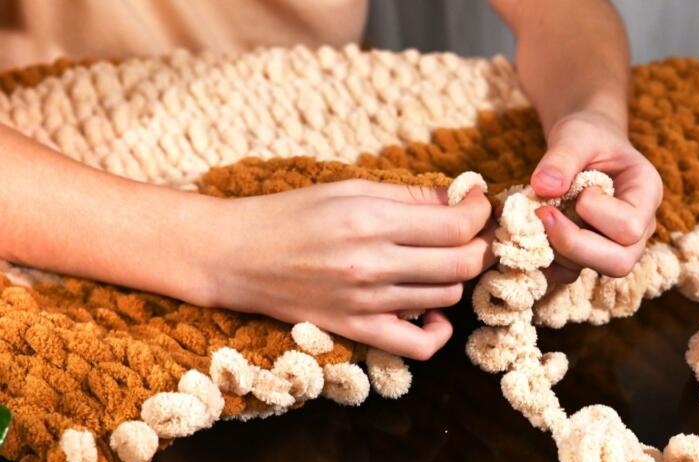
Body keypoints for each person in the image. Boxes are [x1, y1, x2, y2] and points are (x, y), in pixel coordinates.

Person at [0, 0, 663, 360]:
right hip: (62, 221)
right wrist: (217, 250)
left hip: (334, 191)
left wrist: (591, 114)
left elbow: (563, 12)